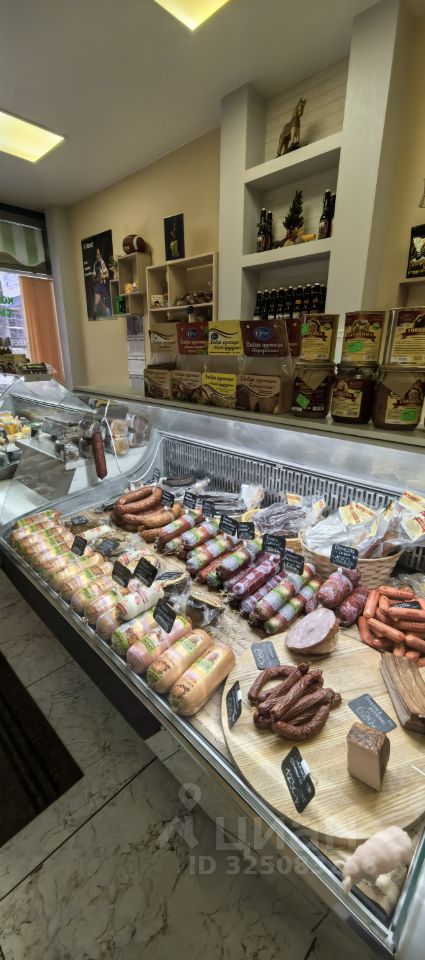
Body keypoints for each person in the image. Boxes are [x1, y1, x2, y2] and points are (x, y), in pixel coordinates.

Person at [92, 248, 111, 318]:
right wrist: (97, 278)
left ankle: (109, 316)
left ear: (101, 255)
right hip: (97, 285)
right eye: (96, 254)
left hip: (103, 285)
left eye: (99, 254)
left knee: (106, 303)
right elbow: (93, 279)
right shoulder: (95, 264)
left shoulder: (102, 263)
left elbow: (107, 275)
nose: (98, 256)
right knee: (96, 303)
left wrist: (102, 277)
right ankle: (94, 317)